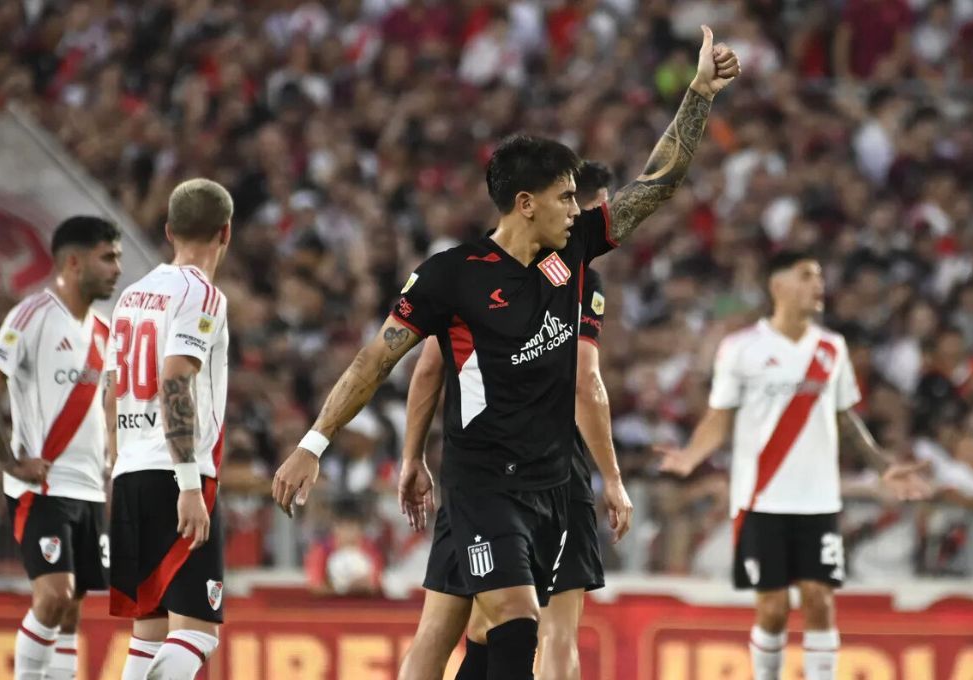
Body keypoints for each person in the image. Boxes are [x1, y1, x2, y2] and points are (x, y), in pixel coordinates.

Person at [273, 27, 738, 678]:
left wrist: (698, 94)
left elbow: (654, 186)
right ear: (526, 203)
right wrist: (314, 443)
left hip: (554, 482)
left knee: (468, 639)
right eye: (566, 197)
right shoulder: (450, 276)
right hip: (483, 483)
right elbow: (376, 361)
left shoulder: (572, 253)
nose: (578, 210)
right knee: (516, 630)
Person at [396, 161, 631, 680]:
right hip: (548, 471)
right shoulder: (576, 273)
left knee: (461, 628)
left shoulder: (474, 272)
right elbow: (584, 382)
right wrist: (611, 477)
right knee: (551, 629)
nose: (578, 218)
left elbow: (430, 365)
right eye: (578, 207)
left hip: (471, 475)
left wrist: (412, 456)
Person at [657, 250, 932, 680]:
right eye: (806, 276)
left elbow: (845, 416)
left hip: (818, 498)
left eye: (820, 277)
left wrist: (883, 466)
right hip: (761, 497)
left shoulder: (831, 347)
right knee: (772, 607)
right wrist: (693, 454)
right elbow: (719, 415)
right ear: (778, 285)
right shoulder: (741, 348)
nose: (818, 285)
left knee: (820, 598)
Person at [0, 216, 122, 680]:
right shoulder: (32, 315)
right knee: (53, 595)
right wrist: (9, 461)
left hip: (90, 489)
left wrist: (113, 462)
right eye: (107, 257)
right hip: (43, 486)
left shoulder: (104, 330)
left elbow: (106, 406)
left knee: (71, 608)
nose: (117, 268)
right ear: (73, 262)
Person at [107, 178, 233, 680]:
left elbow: (111, 386)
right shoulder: (202, 294)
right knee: (198, 631)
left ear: (167, 230)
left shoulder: (131, 296)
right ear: (226, 233)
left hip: (132, 470)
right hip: (175, 473)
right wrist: (187, 484)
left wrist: (115, 466)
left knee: (149, 634)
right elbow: (176, 380)